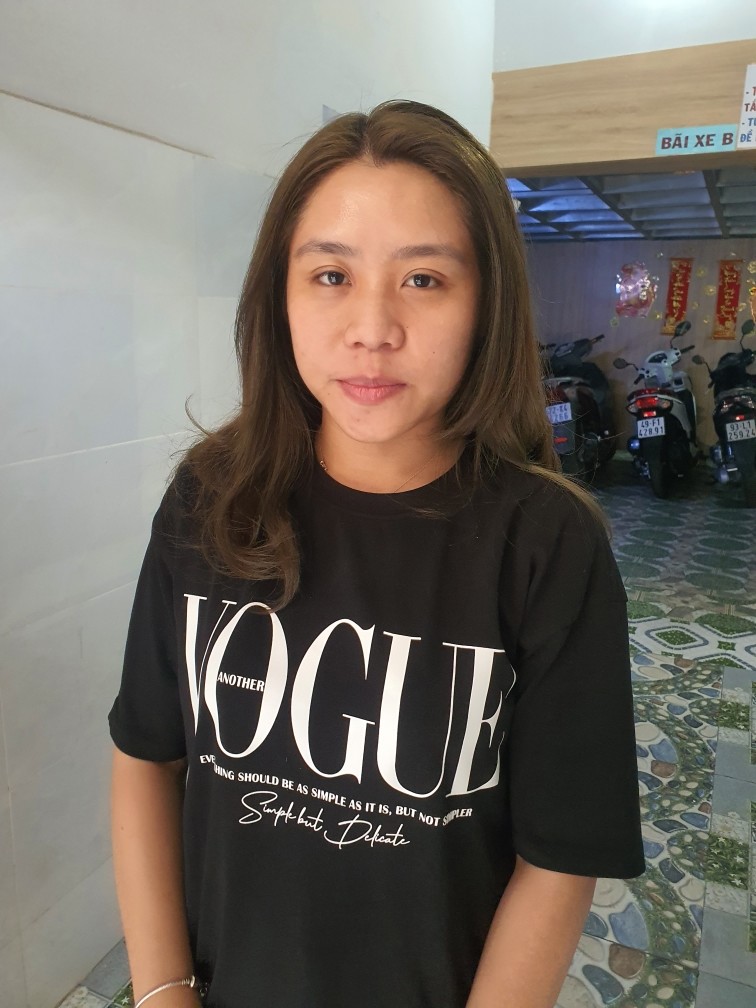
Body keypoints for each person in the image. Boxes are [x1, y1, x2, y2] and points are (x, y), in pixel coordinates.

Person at [109, 100, 644, 1008]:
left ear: (486, 304)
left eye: (424, 280)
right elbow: (145, 753)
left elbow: (557, 859)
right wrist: (163, 992)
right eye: (330, 275)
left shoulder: (548, 543)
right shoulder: (211, 497)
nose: (372, 327)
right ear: (279, 295)